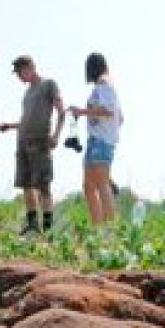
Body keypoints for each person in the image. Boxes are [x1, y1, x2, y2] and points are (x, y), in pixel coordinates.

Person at [0, 54, 64, 233]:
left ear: (31, 67)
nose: (19, 76)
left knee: (43, 186)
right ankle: (32, 225)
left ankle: (48, 229)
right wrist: (10, 126)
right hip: (23, 143)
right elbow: (26, 120)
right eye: (17, 73)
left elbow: (61, 111)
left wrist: (56, 135)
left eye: (20, 72)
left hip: (41, 142)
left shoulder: (48, 85)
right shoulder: (27, 93)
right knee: (26, 184)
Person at [67, 52, 122, 226]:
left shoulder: (104, 84)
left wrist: (81, 112)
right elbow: (120, 118)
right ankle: (98, 231)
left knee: (102, 185)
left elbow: (108, 112)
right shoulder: (103, 86)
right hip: (97, 140)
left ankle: (110, 234)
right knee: (89, 186)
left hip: (101, 142)